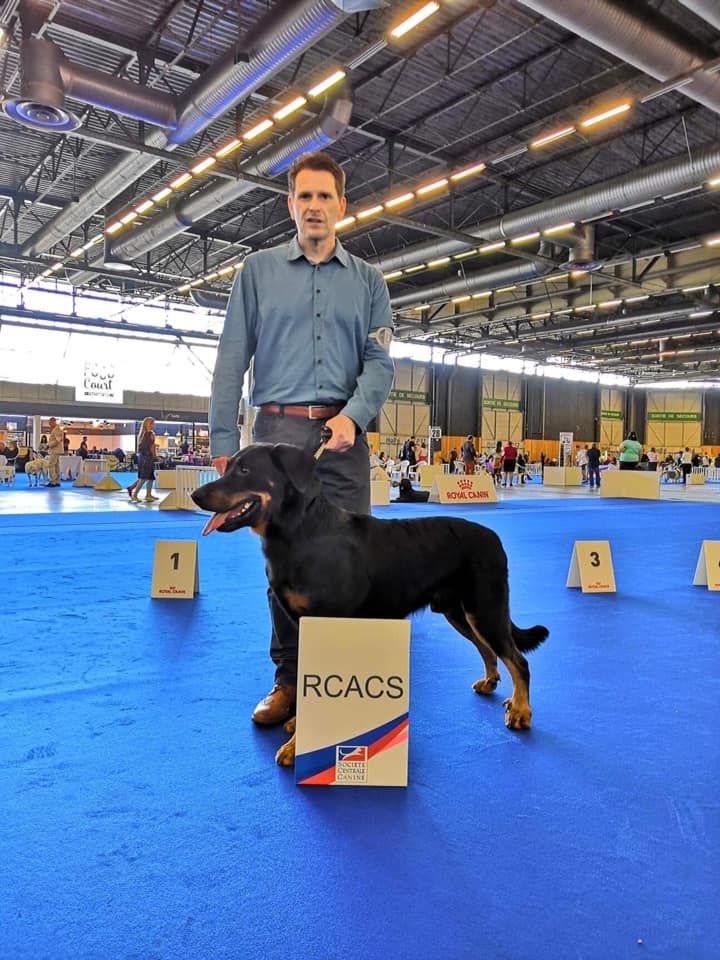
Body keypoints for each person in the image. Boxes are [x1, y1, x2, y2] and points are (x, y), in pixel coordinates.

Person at [208, 150, 394, 728]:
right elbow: (230, 360)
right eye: (304, 197)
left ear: (342, 206)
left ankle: (340, 691)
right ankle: (289, 681)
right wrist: (222, 437)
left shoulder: (369, 282)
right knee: (282, 569)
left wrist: (355, 417)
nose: (315, 207)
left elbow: (380, 364)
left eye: (324, 197)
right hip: (275, 434)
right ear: (290, 206)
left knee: (350, 561)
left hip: (343, 437)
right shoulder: (256, 273)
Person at [126, 417, 159, 502]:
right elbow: (152, 447)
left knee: (150, 477)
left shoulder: (142, 434)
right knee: (144, 477)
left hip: (142, 457)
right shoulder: (151, 434)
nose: (154, 425)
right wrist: (155, 456)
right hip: (147, 457)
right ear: (149, 424)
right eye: (153, 424)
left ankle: (148, 494)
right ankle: (135, 495)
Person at [46, 417, 63, 487]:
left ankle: (53, 481)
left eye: (50, 423)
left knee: (50, 465)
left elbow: (58, 440)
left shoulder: (57, 429)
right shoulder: (56, 429)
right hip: (56, 450)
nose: (49, 424)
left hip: (55, 450)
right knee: (56, 466)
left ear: (53, 422)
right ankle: (57, 481)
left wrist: (49, 445)